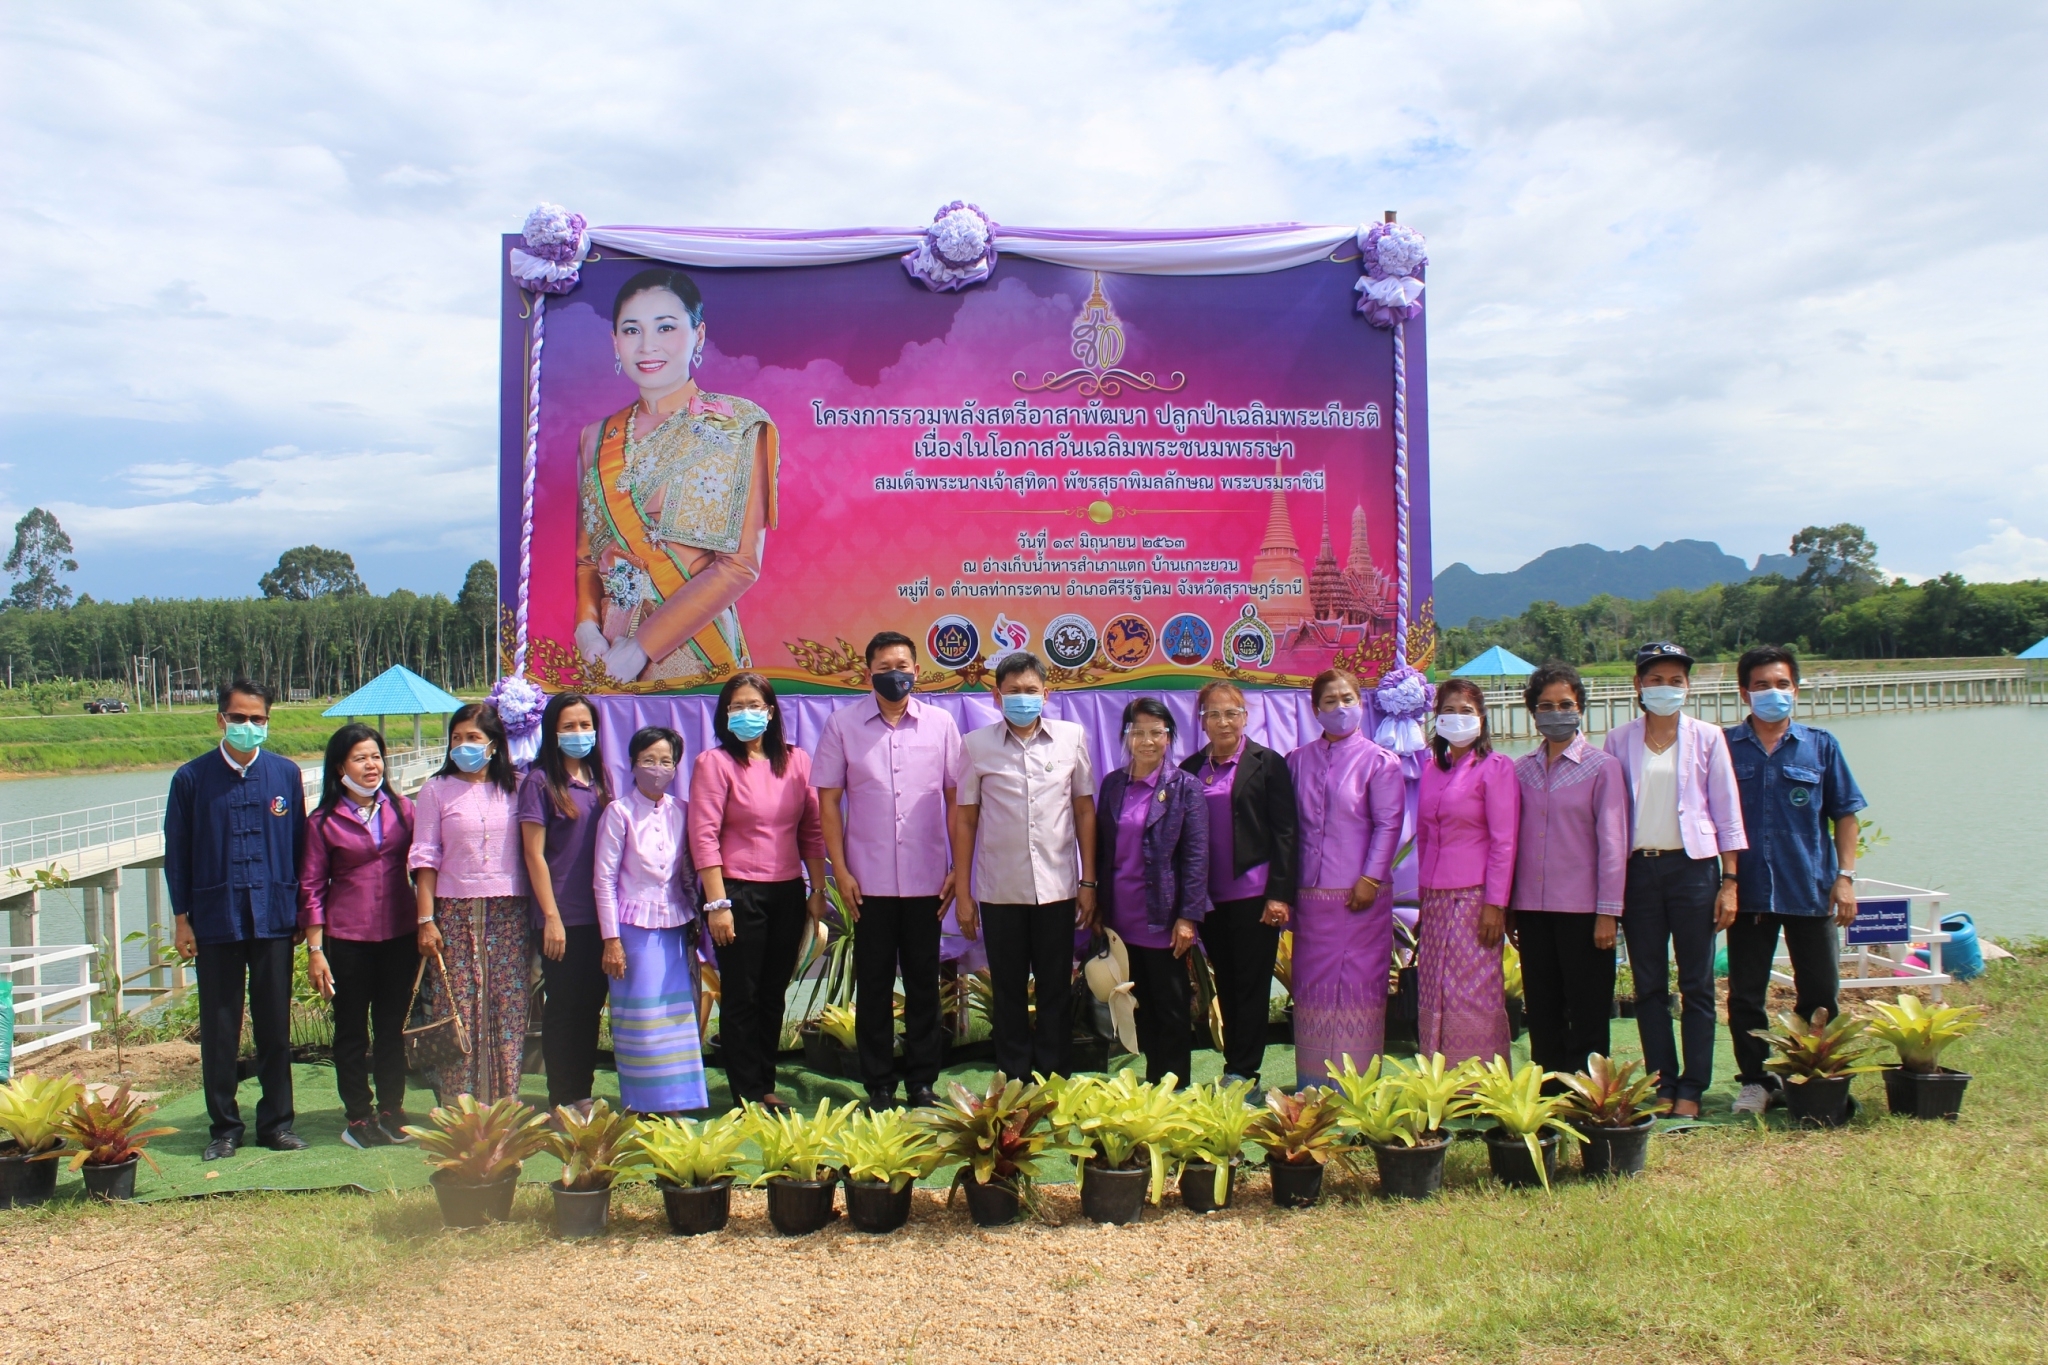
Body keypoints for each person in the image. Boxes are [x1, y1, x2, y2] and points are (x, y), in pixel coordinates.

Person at [575, 267, 779, 685]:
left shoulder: (737, 424)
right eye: (632, 331)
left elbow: (740, 565)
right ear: (615, 341)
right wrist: (586, 627)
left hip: (699, 649)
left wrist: (642, 647)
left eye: (665, 327)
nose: (648, 345)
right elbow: (587, 558)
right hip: (611, 655)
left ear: (698, 335)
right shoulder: (595, 438)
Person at [812, 630, 962, 1110]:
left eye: (902, 665)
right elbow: (829, 803)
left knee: (923, 983)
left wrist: (958, 867)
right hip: (867, 883)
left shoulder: (941, 725)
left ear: (917, 670)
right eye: (883, 667)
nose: (894, 674)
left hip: (927, 882)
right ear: (868, 673)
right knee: (873, 984)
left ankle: (922, 1082)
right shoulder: (842, 725)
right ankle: (877, 1083)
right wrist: (841, 870)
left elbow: (957, 798)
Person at [166, 679, 309, 1160]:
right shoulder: (191, 779)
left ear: (269, 722)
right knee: (222, 1026)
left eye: (258, 719)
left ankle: (277, 1124)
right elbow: (178, 856)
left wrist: (300, 916)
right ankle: (224, 1127)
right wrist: (182, 919)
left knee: (274, 1023)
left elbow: (298, 849)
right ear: (221, 720)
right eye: (240, 718)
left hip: (273, 917)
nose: (249, 727)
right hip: (215, 917)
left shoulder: (285, 776)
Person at [1603, 641, 1746, 1118]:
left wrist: (1730, 881)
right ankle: (1663, 1082)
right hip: (1638, 871)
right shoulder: (1617, 740)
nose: (1665, 688)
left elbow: (1727, 813)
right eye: (1655, 679)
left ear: (1687, 686)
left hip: (1694, 869)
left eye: (1675, 680)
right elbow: (1607, 815)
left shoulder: (1708, 737)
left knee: (1697, 983)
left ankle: (1693, 1086)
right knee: (1647, 985)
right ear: (1638, 685)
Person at [1724, 645, 1866, 1116]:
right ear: (1745, 692)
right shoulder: (1723, 747)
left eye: (1781, 684)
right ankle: (1756, 1080)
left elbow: (1845, 816)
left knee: (1821, 991)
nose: (1772, 693)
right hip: (1748, 895)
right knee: (1746, 994)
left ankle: (1811, 1077)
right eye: (1762, 685)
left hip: (1810, 889)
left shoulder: (1820, 746)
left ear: (1796, 690)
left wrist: (1844, 879)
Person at [950, 652, 1098, 1081]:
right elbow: (965, 819)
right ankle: (1013, 1078)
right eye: (1012, 692)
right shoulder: (976, 746)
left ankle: (1055, 1077)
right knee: (1008, 990)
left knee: (1055, 988)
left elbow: (1084, 811)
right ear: (996, 697)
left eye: (1031, 691)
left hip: (1058, 888)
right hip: (999, 891)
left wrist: (1088, 881)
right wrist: (963, 893)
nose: (1022, 699)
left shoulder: (1071, 738)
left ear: (1047, 694)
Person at [688, 672, 827, 1108]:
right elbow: (703, 835)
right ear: (724, 714)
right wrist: (718, 903)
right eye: (737, 706)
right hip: (735, 893)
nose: (747, 714)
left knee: (772, 992)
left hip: (786, 893)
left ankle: (765, 1083)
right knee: (742, 993)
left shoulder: (797, 761)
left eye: (755, 705)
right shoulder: (715, 763)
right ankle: (745, 1090)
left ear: (771, 711)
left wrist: (818, 889)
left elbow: (813, 830)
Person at [300, 723, 419, 1149]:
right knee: (351, 1030)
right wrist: (316, 950)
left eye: (376, 757)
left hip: (400, 935)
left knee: (391, 1028)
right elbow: (311, 888)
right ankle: (358, 1116)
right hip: (347, 938)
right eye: (360, 758)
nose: (371, 766)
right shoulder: (322, 822)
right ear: (339, 768)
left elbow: (423, 866)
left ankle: (392, 1108)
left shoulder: (404, 809)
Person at [1284, 669, 1404, 1089]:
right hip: (1312, 901)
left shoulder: (1380, 761)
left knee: (1358, 990)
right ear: (1315, 710)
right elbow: (1289, 828)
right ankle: (1313, 1085)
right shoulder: (1296, 760)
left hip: (1361, 898)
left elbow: (1389, 825)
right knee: (1314, 991)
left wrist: (1370, 878)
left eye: (1347, 698)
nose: (1340, 708)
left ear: (1361, 702)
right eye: (1330, 701)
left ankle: (1357, 1087)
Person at [1509, 663, 1628, 1079]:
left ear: (1580, 708)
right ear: (1533, 712)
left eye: (1565, 704)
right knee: (1542, 1008)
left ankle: (1590, 1097)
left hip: (1584, 912)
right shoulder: (1519, 770)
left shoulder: (1602, 767)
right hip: (1533, 910)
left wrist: (1608, 912)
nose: (1555, 713)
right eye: (1545, 705)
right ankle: (1549, 1095)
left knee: (1589, 1009)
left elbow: (1613, 843)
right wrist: (1509, 908)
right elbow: (1510, 843)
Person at [1178, 680, 1298, 1088]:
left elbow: (1286, 832)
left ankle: (1245, 1073)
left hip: (1255, 896)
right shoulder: (1189, 770)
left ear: (1245, 717)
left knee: (1251, 985)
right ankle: (1235, 1067)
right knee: (1225, 984)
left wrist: (1280, 894)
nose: (1223, 721)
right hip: (1208, 899)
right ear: (1202, 721)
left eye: (1231, 712)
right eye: (1213, 713)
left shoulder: (1268, 763)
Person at [410, 702, 531, 1103]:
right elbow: (425, 856)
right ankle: (459, 1108)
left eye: (473, 738)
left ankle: (504, 1105)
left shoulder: (517, 785)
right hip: (455, 914)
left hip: (509, 911)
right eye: (456, 738)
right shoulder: (435, 789)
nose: (463, 745)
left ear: (494, 744)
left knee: (507, 1007)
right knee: (458, 1006)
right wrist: (426, 919)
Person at [1095, 697, 1210, 1084]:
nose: (1147, 741)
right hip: (1120, 918)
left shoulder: (1184, 788)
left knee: (1171, 1008)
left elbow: (1196, 856)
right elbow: (1100, 847)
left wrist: (1188, 916)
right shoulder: (1113, 784)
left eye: (1156, 733)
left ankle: (1174, 1087)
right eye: (1137, 732)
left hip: (1163, 919)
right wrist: (1094, 899)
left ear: (1169, 737)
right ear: (1126, 737)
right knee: (1137, 1005)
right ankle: (1151, 1081)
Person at [596, 726, 710, 1115]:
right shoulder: (618, 812)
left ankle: (676, 1102)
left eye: (665, 761)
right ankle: (642, 1102)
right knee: (641, 1018)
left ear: (677, 766)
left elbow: (690, 872)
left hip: (676, 927)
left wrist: (696, 921)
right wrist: (611, 939)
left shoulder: (684, 810)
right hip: (632, 929)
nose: (657, 768)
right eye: (648, 760)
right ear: (632, 763)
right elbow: (604, 880)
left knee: (675, 1015)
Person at [1414, 677, 1520, 1065]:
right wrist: (1422, 901)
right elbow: (1424, 835)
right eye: (1448, 710)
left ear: (1482, 719)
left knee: (1471, 990)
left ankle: (1479, 1082)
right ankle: (1439, 1080)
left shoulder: (1496, 768)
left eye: (1466, 711)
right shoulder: (1430, 769)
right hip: (1437, 899)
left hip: (1475, 897)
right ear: (1436, 718)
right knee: (1434, 988)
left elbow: (1504, 841)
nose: (1457, 718)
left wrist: (1496, 904)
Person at [518, 692, 613, 1112]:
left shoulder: (600, 778)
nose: (579, 734)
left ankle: (582, 1093)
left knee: (591, 1006)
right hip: (561, 917)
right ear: (552, 732)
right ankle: (561, 1098)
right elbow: (533, 854)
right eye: (569, 726)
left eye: (585, 725)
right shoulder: (540, 782)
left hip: (601, 916)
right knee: (564, 1008)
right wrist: (551, 917)